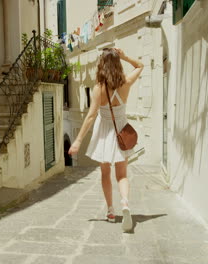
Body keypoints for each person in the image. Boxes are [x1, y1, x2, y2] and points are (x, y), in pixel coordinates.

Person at [68, 47, 143, 231]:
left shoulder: (98, 89)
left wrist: (77, 140)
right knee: (122, 175)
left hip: (104, 134)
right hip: (121, 132)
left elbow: (91, 116)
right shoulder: (126, 82)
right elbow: (140, 65)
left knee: (105, 173)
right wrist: (125, 56)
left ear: (102, 65)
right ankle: (125, 203)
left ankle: (110, 210)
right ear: (117, 65)